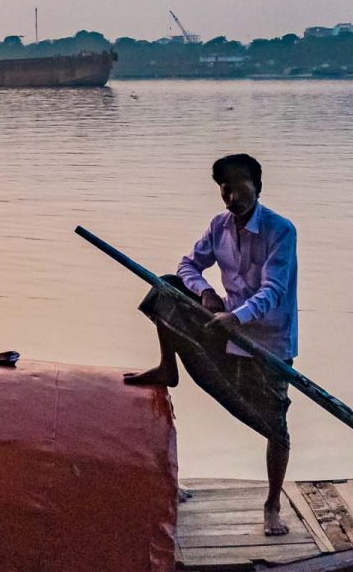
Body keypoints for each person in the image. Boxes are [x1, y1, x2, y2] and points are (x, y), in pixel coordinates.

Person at [125, 153, 299, 537]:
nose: (231, 194)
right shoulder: (219, 226)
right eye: (225, 186)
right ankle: (167, 366)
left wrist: (236, 317)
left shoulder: (280, 231)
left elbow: (274, 291)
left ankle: (272, 505)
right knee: (167, 284)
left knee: (277, 428)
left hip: (267, 340)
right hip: (223, 325)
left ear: (257, 187)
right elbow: (188, 265)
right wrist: (205, 293)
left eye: (239, 185)